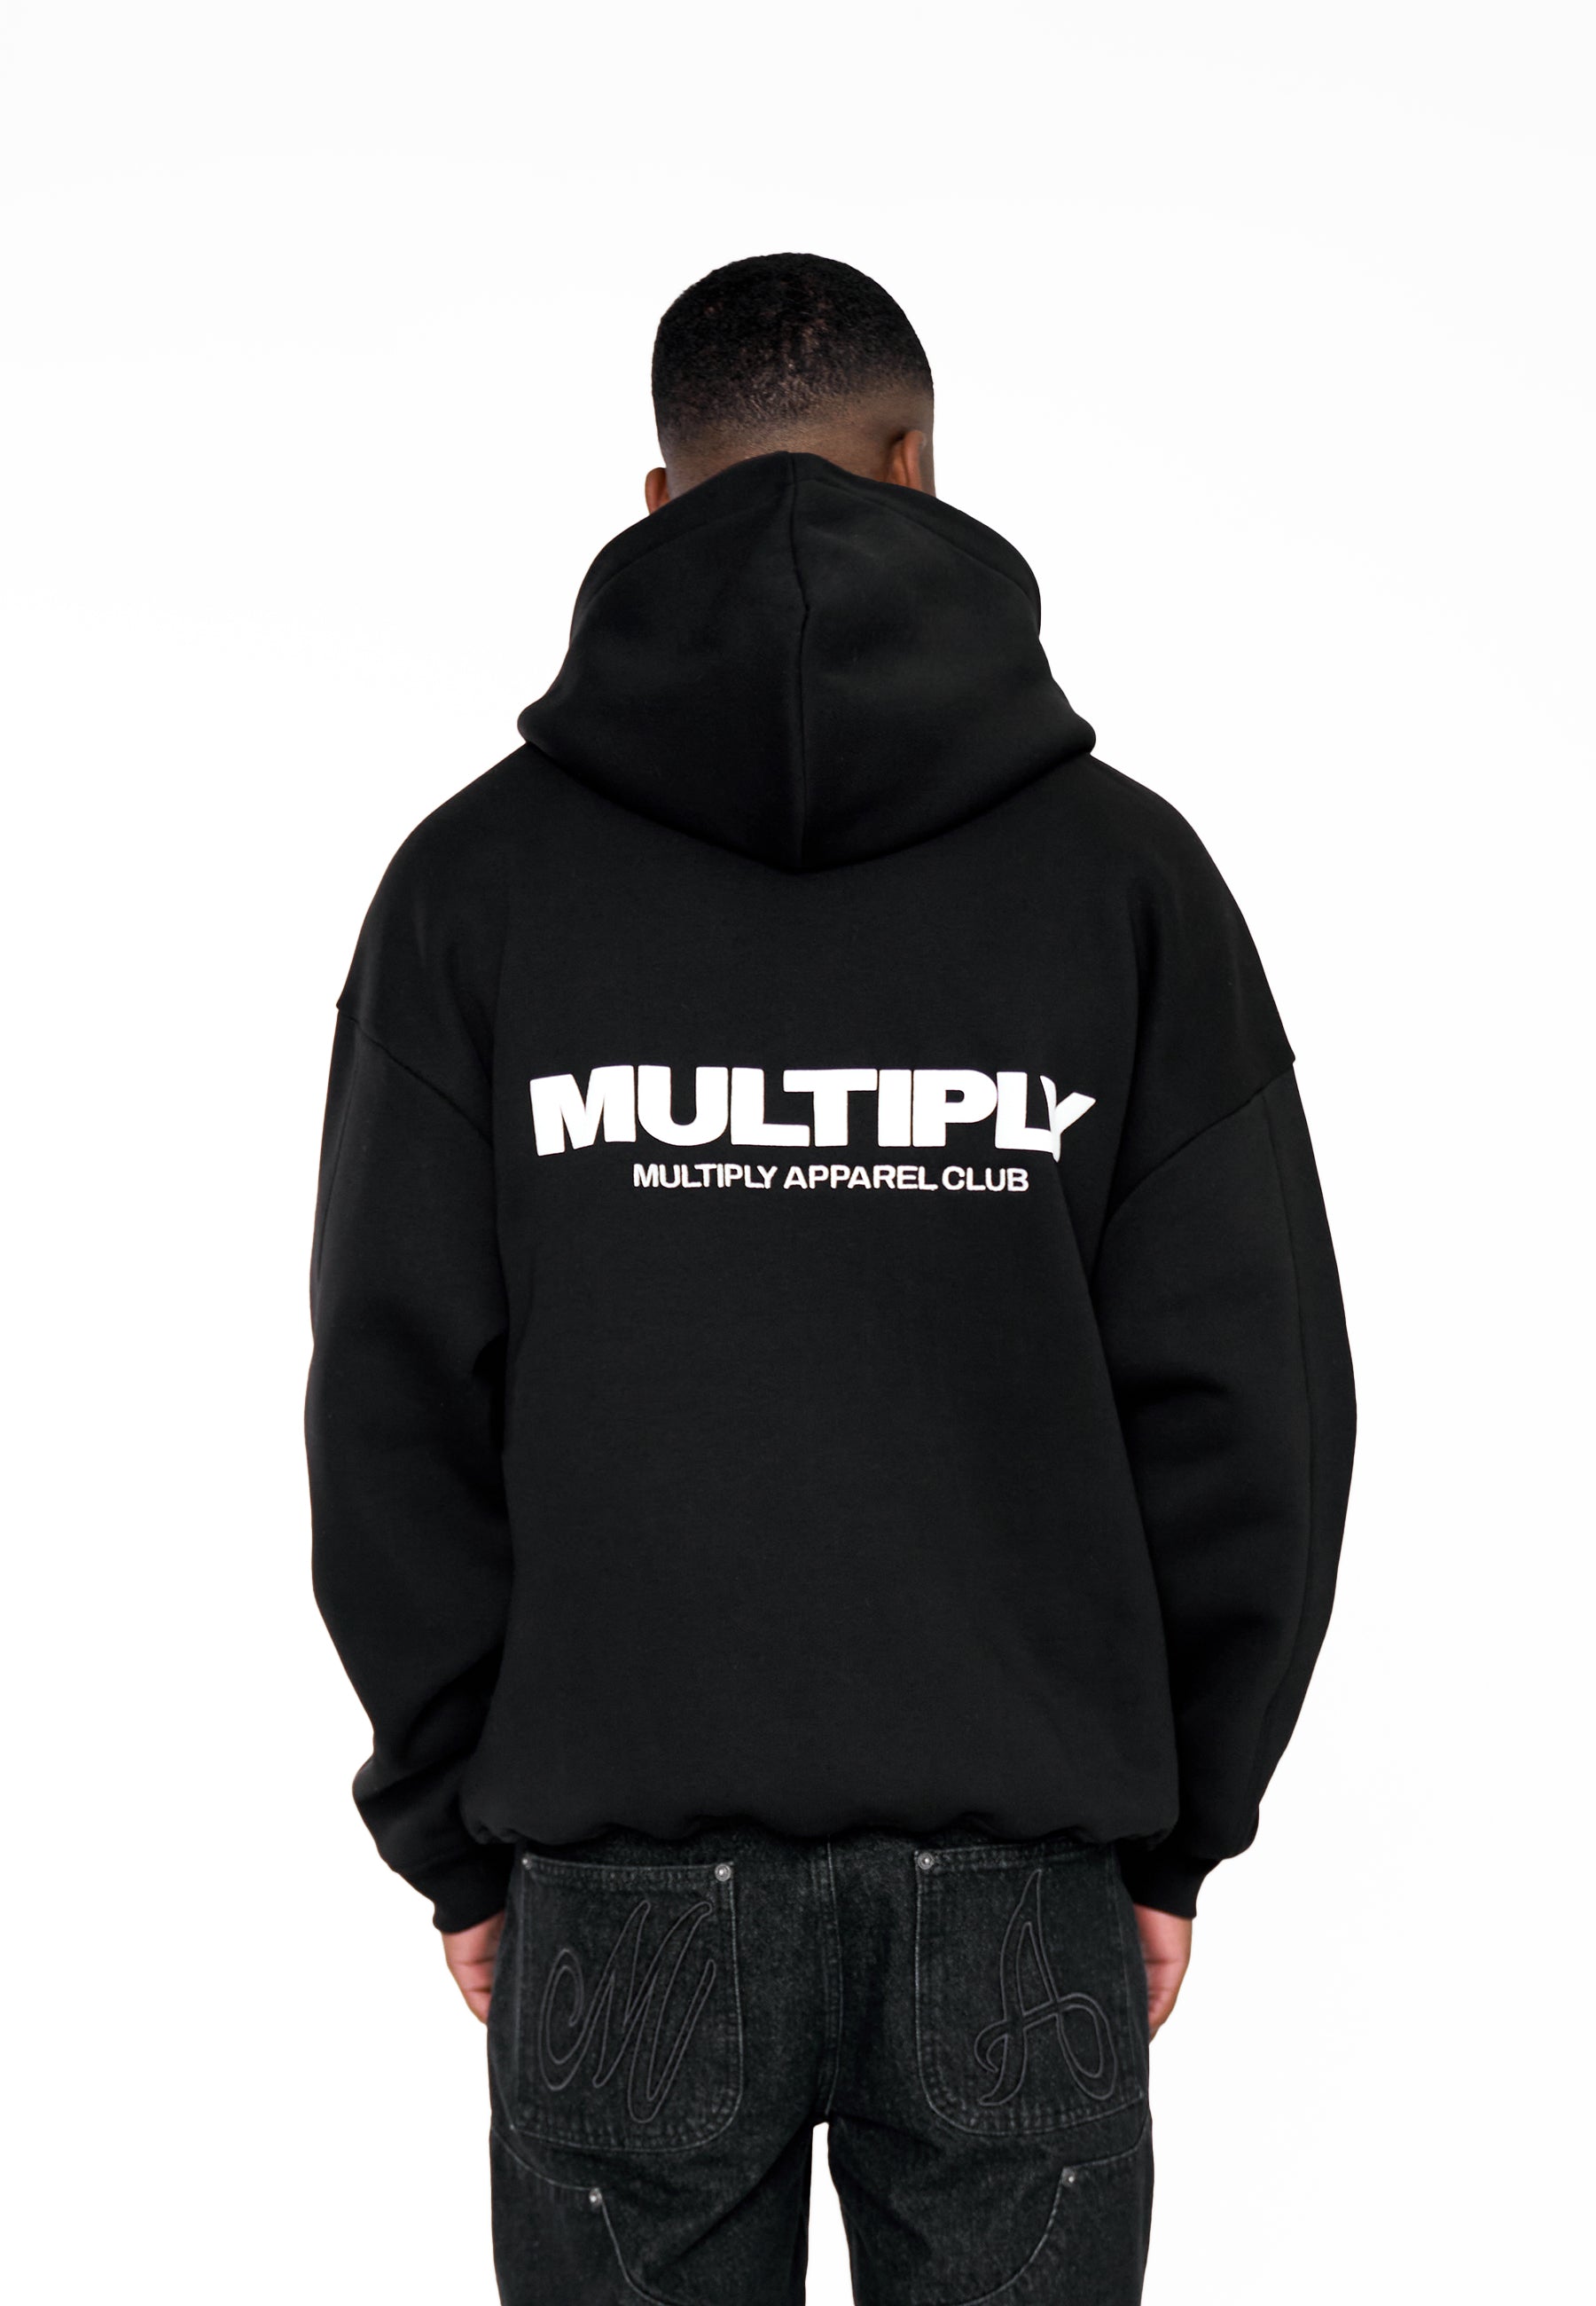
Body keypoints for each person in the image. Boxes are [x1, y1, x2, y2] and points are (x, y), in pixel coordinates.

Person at [307, 252, 1355, 2305]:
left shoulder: (474, 886)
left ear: (654, 501)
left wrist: (455, 1824)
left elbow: (393, 1400)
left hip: (618, 1879)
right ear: (921, 469)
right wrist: (1176, 1826)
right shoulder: (1126, 880)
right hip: (1021, 1890)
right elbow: (1255, 1403)